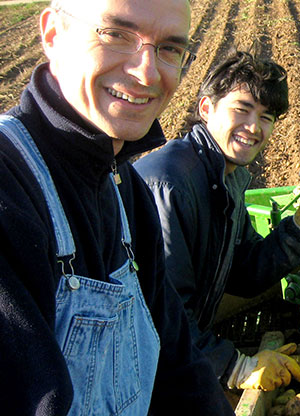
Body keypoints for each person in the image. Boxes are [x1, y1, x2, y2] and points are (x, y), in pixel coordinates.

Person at [0, 0, 236, 413]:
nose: (147, 72)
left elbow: (179, 368)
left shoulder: (124, 185)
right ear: (54, 34)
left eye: (170, 49)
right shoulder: (10, 187)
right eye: (116, 35)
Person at [134, 51, 300, 391]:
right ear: (206, 108)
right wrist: (237, 367)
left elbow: (243, 273)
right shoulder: (170, 184)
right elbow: (160, 313)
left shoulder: (227, 178)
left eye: (266, 117)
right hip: (138, 375)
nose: (254, 128)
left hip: (172, 362)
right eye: (241, 109)